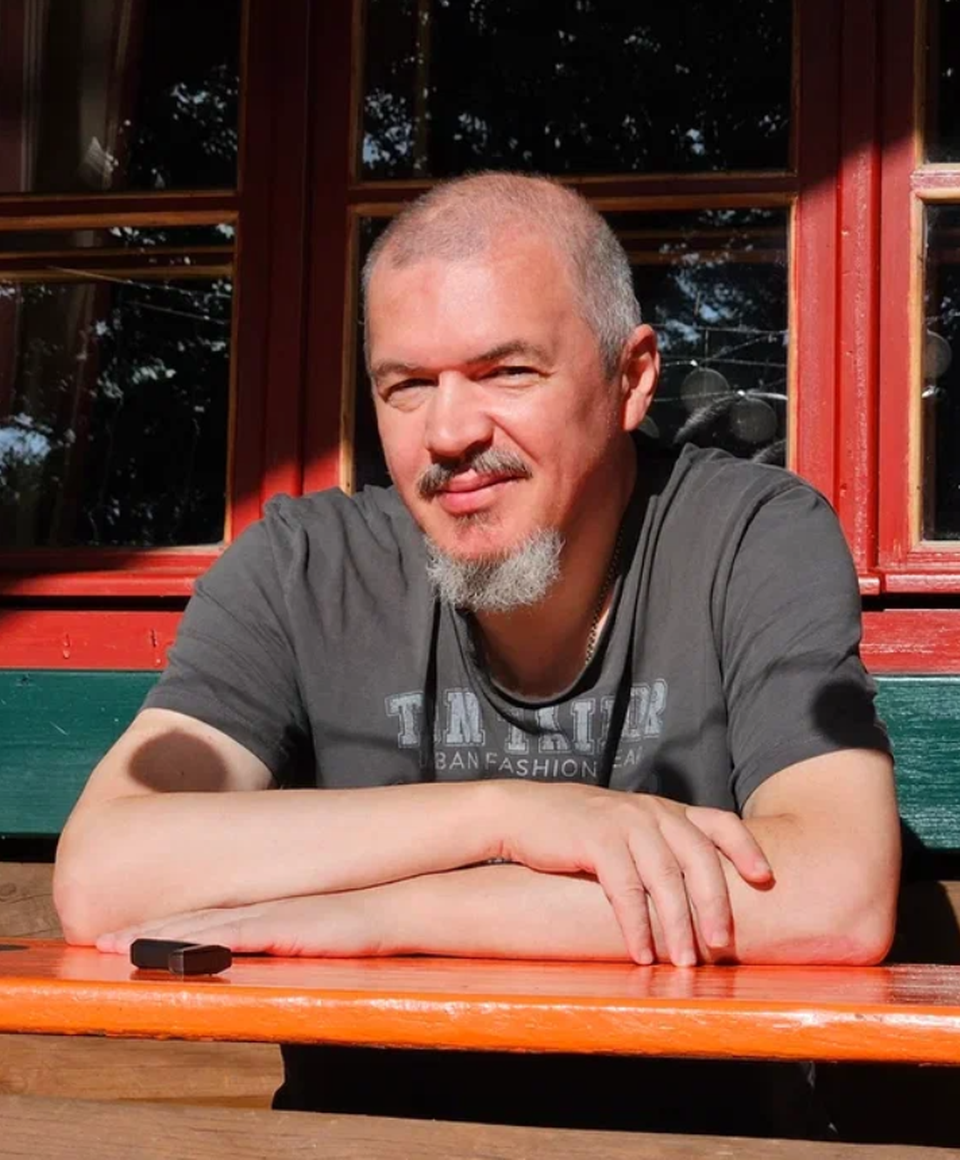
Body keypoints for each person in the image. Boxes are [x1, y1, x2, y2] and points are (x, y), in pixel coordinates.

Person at [53, 173, 900, 1135]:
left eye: (507, 372)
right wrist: (507, 816)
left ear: (632, 379)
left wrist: (382, 918)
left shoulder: (750, 536)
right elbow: (103, 875)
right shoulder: (303, 568)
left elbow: (835, 893)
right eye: (408, 386)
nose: (450, 433)